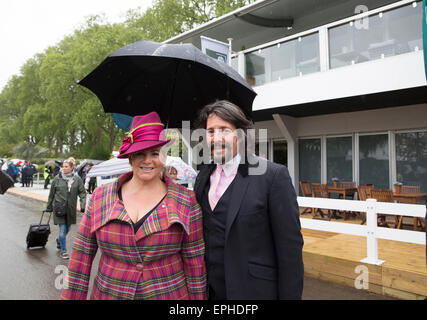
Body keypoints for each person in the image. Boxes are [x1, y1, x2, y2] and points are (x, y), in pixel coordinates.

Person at [61, 112, 206, 300]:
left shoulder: (186, 200)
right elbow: (80, 259)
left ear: (163, 156)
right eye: (140, 154)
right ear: (129, 157)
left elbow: (195, 264)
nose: (148, 160)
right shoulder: (100, 197)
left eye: (155, 153)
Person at [193, 100, 304, 300]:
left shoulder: (272, 176)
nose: (216, 138)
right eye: (210, 131)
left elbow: (290, 253)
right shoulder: (202, 177)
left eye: (224, 130)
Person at [45, 157, 86, 259]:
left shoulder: (77, 179)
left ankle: (59, 240)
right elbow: (51, 194)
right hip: (59, 209)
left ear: (72, 168)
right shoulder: (57, 179)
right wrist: (49, 207)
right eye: (63, 166)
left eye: (66, 166)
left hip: (70, 209)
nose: (64, 168)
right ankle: (64, 251)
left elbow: (82, 193)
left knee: (67, 229)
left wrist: (82, 205)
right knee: (62, 230)